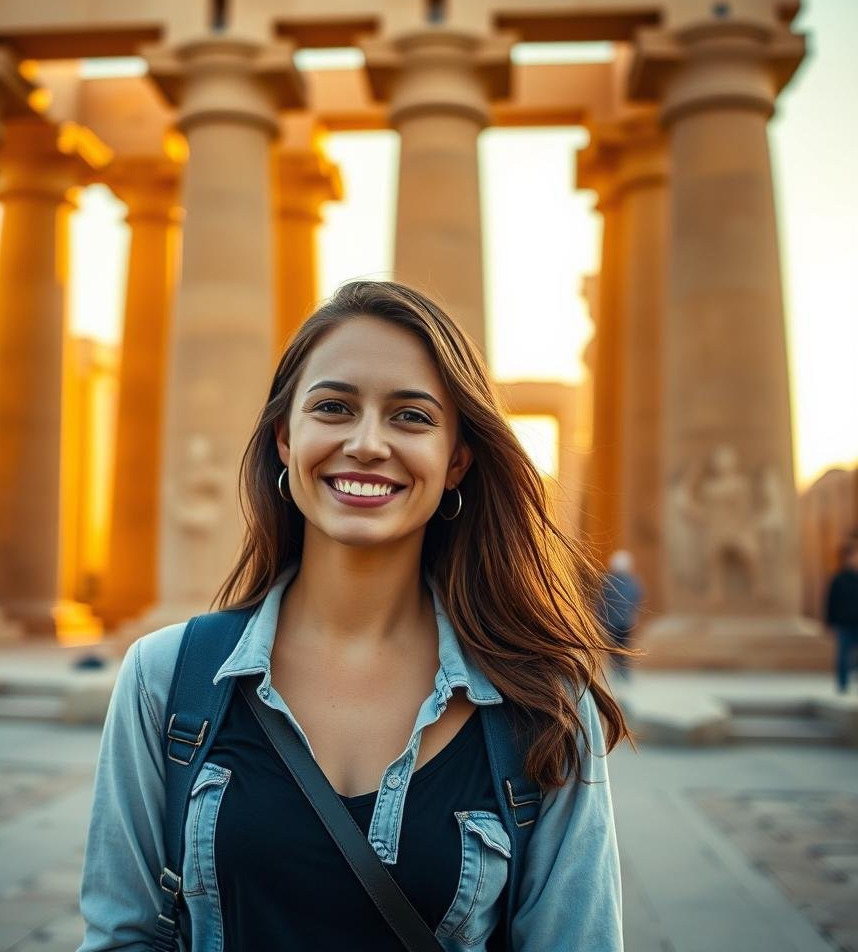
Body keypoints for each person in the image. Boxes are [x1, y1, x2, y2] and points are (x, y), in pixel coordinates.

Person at [78, 280, 631, 952]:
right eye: (335, 407)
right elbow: (122, 937)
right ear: (285, 438)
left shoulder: (545, 702)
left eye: (411, 417)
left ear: (457, 460)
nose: (368, 443)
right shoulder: (166, 678)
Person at [596, 549, 643, 680]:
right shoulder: (631, 581)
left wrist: (599, 618)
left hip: (613, 621)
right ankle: (622, 670)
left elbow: (601, 602)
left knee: (616, 646)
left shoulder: (608, 581)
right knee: (623, 646)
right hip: (624, 621)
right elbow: (636, 599)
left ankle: (620, 670)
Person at [825, 537, 858, 694]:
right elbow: (831, 601)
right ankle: (843, 684)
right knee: (843, 654)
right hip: (844, 623)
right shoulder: (839, 579)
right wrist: (829, 622)